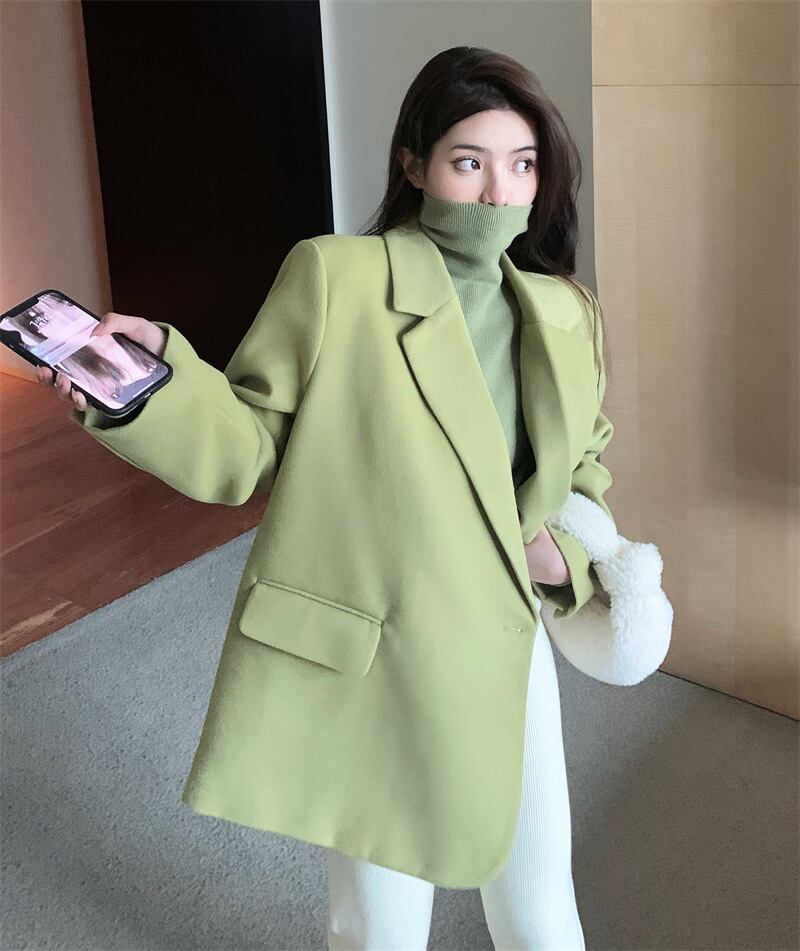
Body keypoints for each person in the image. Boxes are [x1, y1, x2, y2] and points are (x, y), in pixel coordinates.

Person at [39, 45, 614, 951]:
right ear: (414, 164)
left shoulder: (565, 311)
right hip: (381, 655)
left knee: (541, 907)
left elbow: (584, 470)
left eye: (524, 163)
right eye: (470, 162)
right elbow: (247, 449)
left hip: (509, 640)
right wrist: (152, 390)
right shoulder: (337, 277)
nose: (500, 191)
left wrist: (562, 556)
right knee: (380, 929)